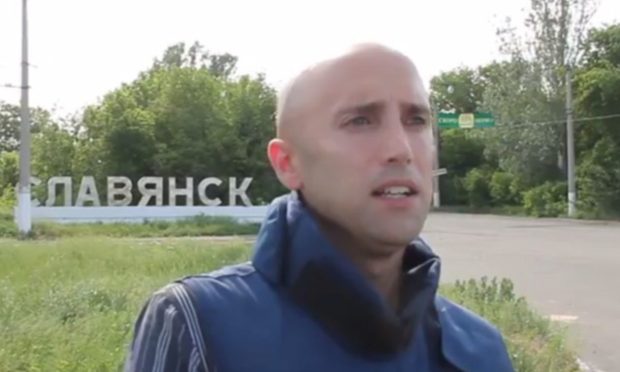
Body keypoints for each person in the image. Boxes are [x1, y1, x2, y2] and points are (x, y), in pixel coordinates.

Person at [123, 43, 514, 372]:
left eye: (417, 120)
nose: (401, 148)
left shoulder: (481, 350)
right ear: (287, 163)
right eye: (360, 120)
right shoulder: (199, 325)